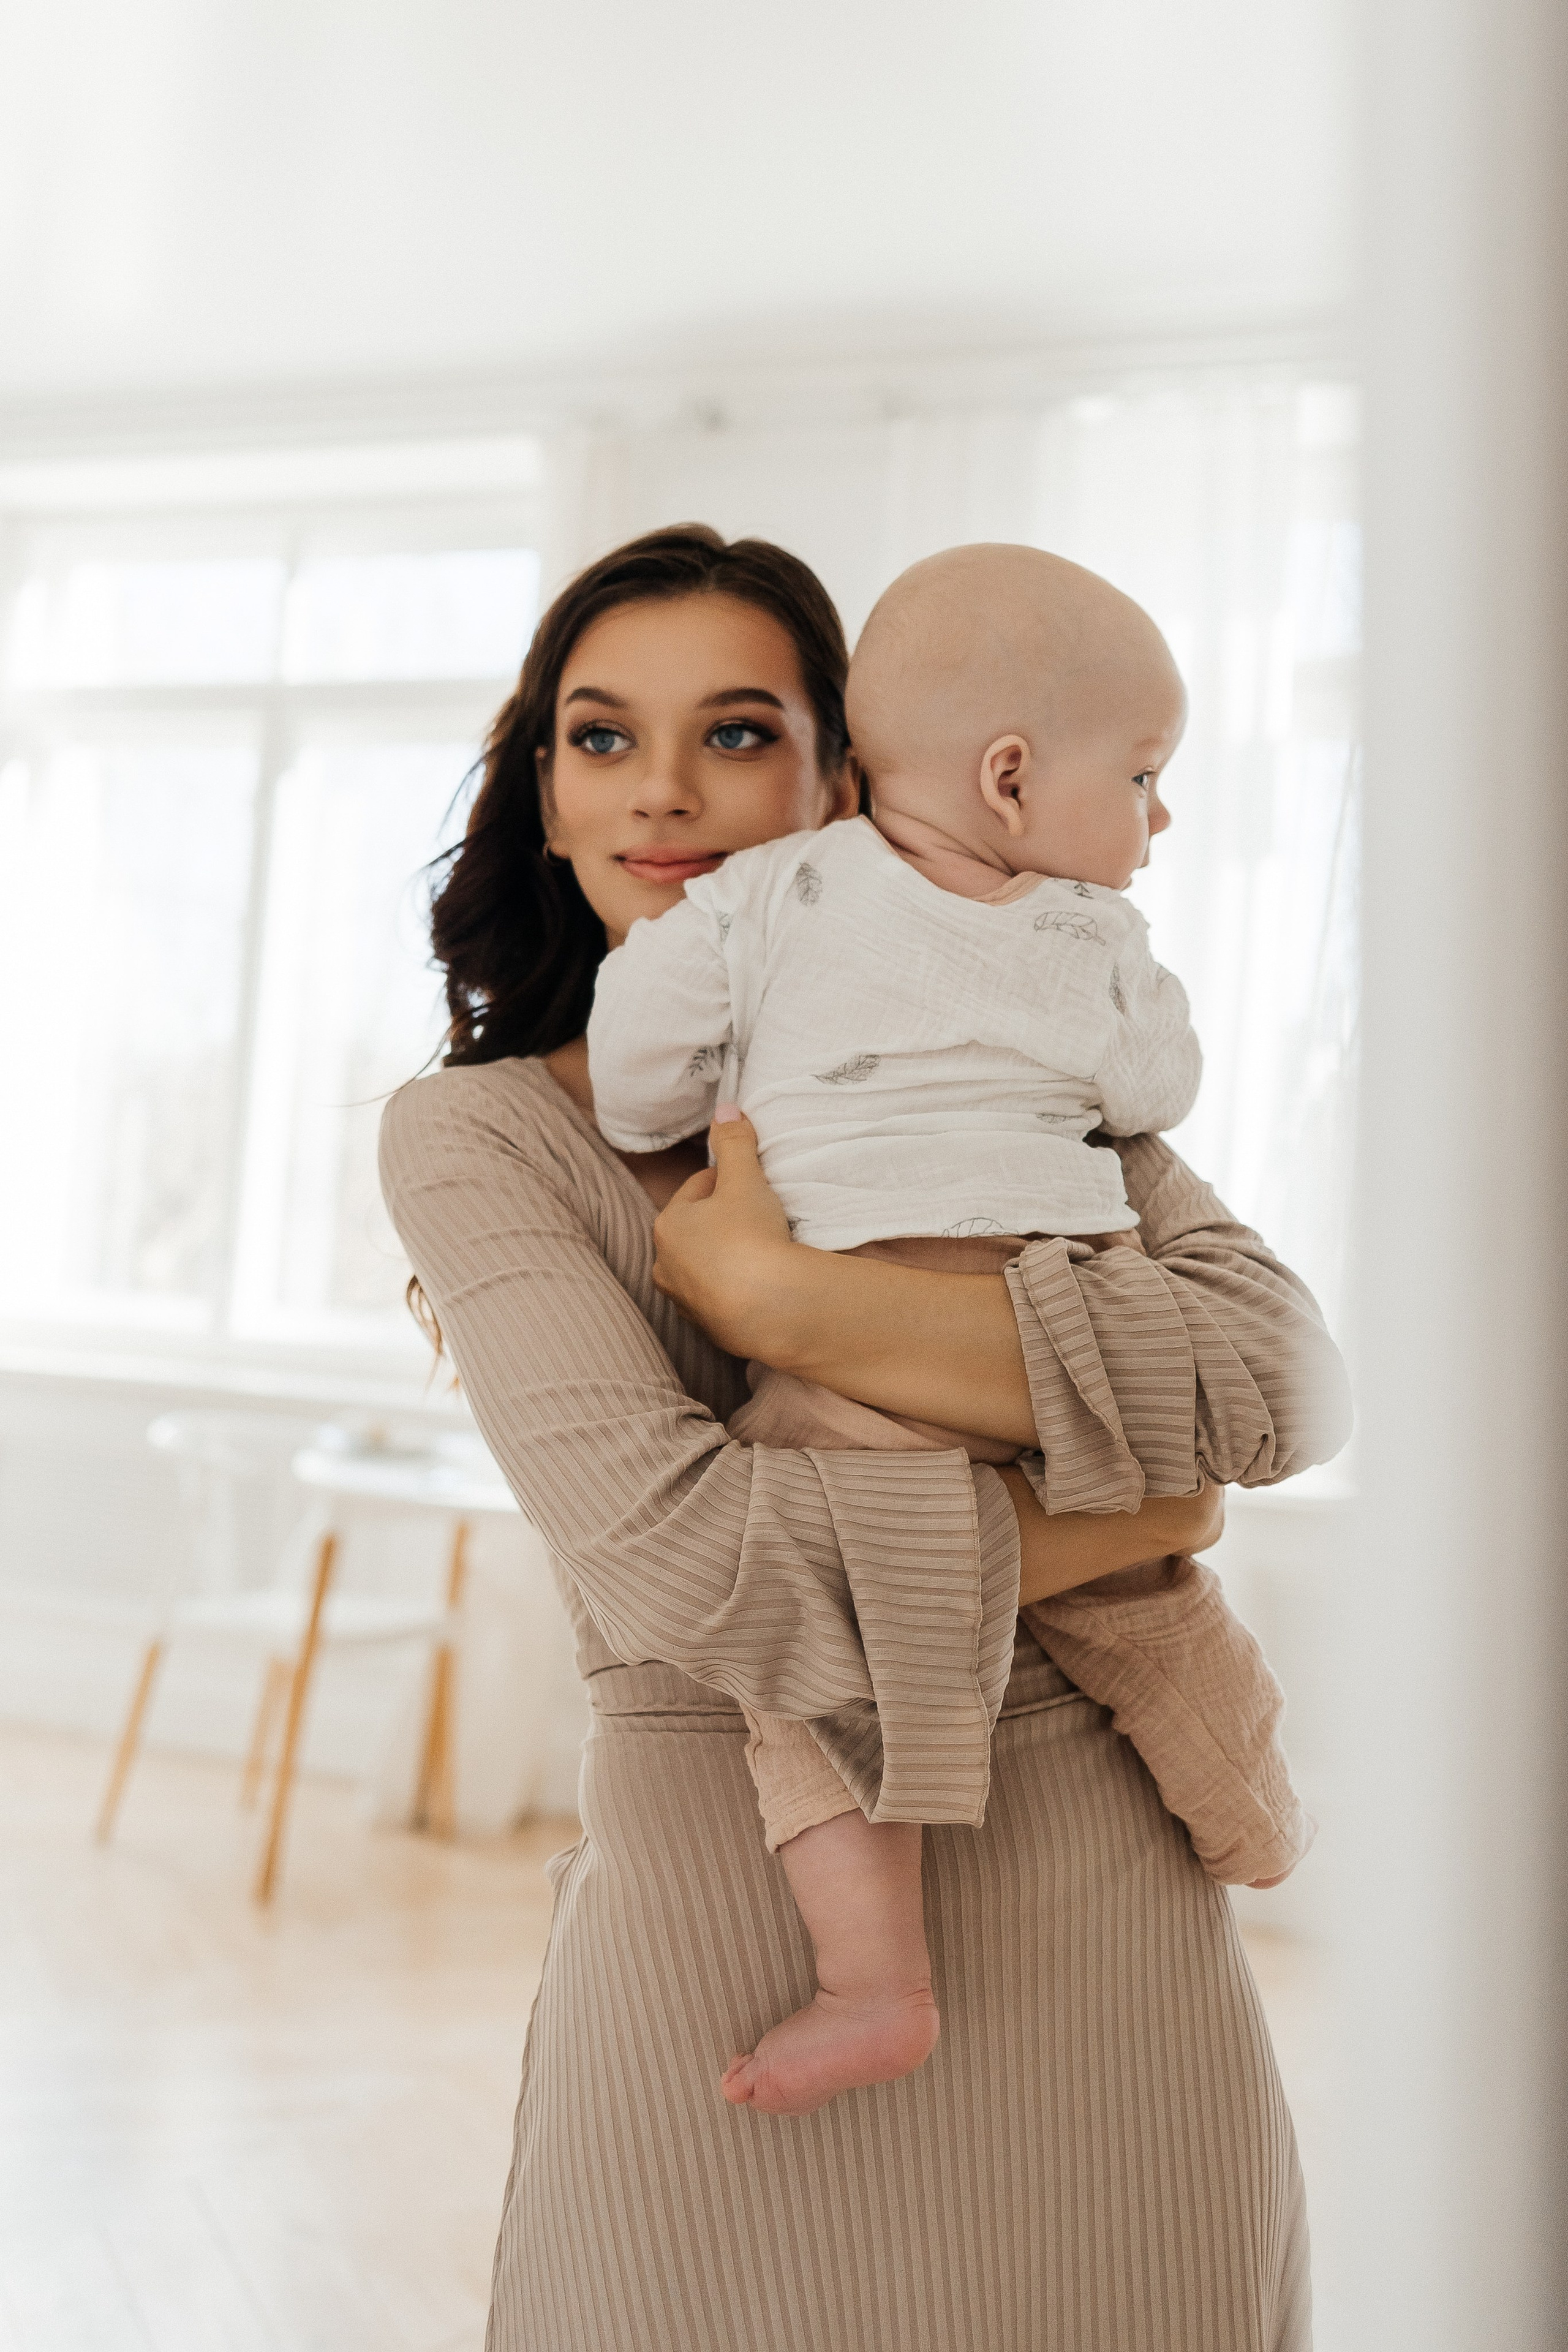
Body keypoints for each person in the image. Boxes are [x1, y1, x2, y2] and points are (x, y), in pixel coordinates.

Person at [379, 524, 1351, 2352]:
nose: (662, 790)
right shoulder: (484, 1142)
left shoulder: (1010, 1046)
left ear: (847, 779)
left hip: (1107, 1946)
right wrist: (1133, 1492)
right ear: (545, 787)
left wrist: (792, 1307)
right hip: (725, 1972)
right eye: (602, 738)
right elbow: (689, 1573)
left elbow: (1287, 1385)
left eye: (737, 733)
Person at [585, 543, 1312, 2121]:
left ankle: (874, 1981)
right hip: (1065, 1313)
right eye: (1143, 777)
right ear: (1009, 779)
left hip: (851, 1372)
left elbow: (643, 1054)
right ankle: (1252, 1813)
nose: (1159, 819)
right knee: (1151, 1592)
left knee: (813, 1684)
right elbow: (1151, 1097)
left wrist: (672, 1114)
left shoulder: (760, 900)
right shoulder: (1091, 936)